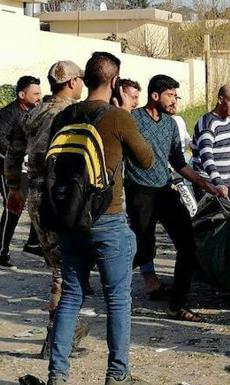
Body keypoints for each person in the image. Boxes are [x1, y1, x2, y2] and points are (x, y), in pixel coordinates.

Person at [46, 51, 155, 385]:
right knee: (118, 298)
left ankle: (57, 375)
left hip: (69, 218)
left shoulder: (63, 117)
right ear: (114, 80)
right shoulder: (117, 118)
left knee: (72, 297)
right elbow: (147, 161)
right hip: (107, 218)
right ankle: (117, 374)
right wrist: (123, 115)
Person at [4, 61, 91, 359]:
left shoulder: (34, 112)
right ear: (71, 83)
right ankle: (57, 341)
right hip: (61, 196)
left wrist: (15, 187)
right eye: (80, 79)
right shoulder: (71, 114)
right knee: (65, 269)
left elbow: (14, 151)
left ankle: (64, 334)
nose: (83, 85)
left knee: (60, 266)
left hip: (37, 194)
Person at [125, 75, 225, 318]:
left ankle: (178, 304)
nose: (174, 101)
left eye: (175, 96)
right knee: (141, 250)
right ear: (155, 96)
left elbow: (178, 161)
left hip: (165, 190)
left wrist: (205, 183)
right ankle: (112, 290)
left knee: (187, 244)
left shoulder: (170, 124)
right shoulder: (133, 120)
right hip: (140, 193)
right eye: (170, 95)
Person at [0, 75, 42, 268]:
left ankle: (33, 242)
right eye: (35, 94)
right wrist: (20, 155)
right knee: (12, 208)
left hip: (25, 167)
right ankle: (2, 252)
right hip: (7, 167)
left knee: (38, 200)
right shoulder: (9, 114)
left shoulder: (34, 112)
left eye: (39, 93)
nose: (38, 97)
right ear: (21, 94)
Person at [191, 84, 230, 211]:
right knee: (216, 221)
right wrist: (218, 183)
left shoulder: (228, 121)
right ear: (221, 100)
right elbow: (206, 157)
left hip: (227, 181)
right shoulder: (207, 124)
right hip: (208, 182)